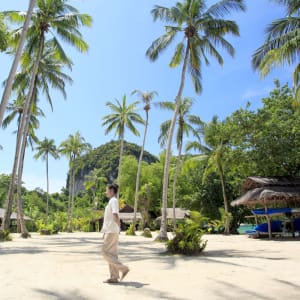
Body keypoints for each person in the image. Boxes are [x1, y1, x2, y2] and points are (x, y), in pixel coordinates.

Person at [101, 183, 129, 283]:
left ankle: (123, 268)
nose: (105, 192)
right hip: (111, 230)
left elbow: (115, 214)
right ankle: (114, 277)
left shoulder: (113, 201)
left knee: (104, 252)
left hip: (112, 230)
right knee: (112, 254)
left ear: (112, 191)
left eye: (107, 190)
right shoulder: (112, 201)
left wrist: (118, 227)